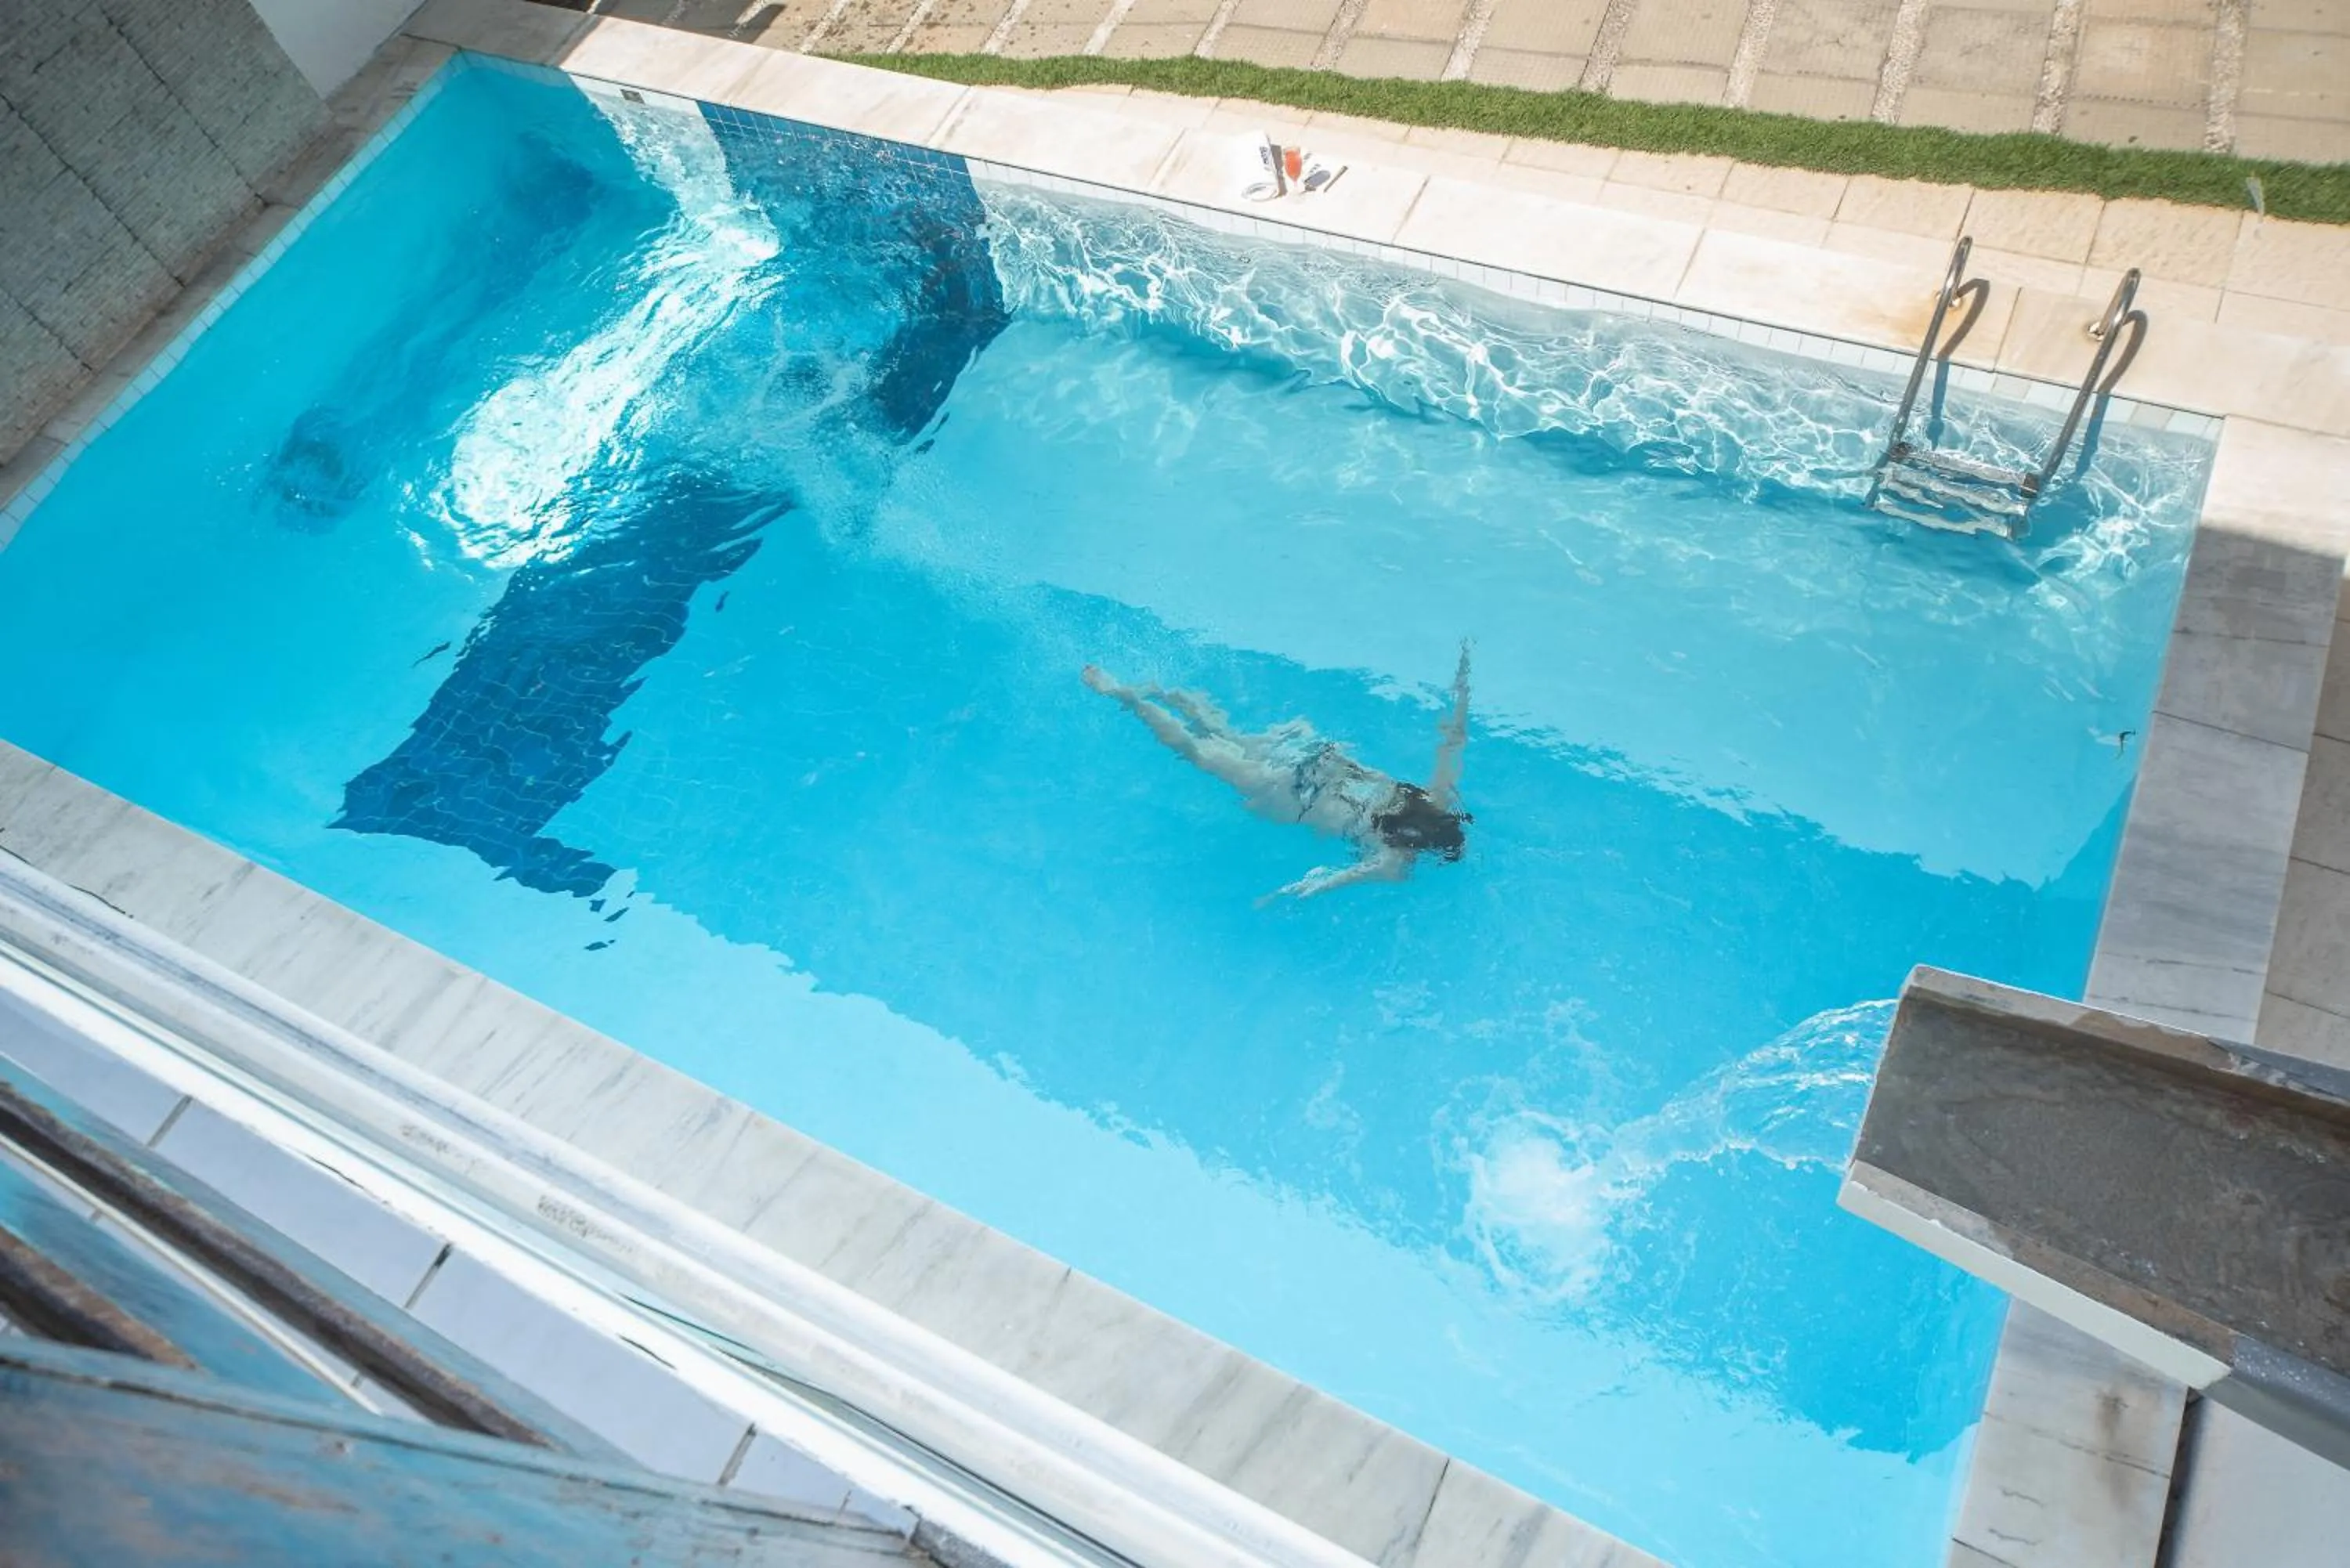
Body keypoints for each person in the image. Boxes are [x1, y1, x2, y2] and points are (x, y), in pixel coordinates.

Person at [1083, 644, 1472, 901]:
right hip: (1290, 795)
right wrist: (1281, 896)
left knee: (1223, 734)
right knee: (1197, 753)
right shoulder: (1395, 861)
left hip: (1321, 760)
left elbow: (1453, 740)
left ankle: (1169, 694)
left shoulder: (1431, 796)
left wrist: (1463, 686)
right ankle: (1124, 696)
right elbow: (1324, 882)